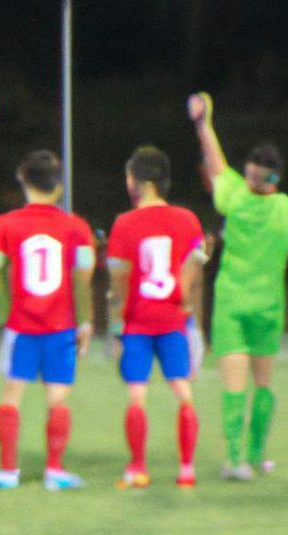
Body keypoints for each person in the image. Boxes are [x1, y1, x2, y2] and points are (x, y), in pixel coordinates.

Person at [188, 92, 288, 480]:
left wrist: (204, 123)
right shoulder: (286, 208)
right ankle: (246, 457)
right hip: (256, 308)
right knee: (255, 384)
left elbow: (215, 159)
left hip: (245, 307)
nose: (254, 179)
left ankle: (243, 457)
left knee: (246, 386)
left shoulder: (239, 195)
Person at [0, 151, 96, 490]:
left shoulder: (5, 224)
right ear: (58, 186)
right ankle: (55, 471)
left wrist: (5, 304)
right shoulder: (77, 227)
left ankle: (7, 471)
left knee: (12, 394)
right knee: (58, 398)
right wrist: (84, 322)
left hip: (22, 327)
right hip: (61, 328)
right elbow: (83, 273)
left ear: (23, 180)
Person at [106, 146, 207, 489]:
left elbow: (119, 281)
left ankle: (137, 467)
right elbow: (193, 271)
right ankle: (186, 470)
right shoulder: (188, 220)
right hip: (173, 321)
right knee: (183, 391)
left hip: (137, 322)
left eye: (129, 176)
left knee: (137, 394)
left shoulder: (124, 223)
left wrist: (117, 327)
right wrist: (192, 318)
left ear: (140, 181)